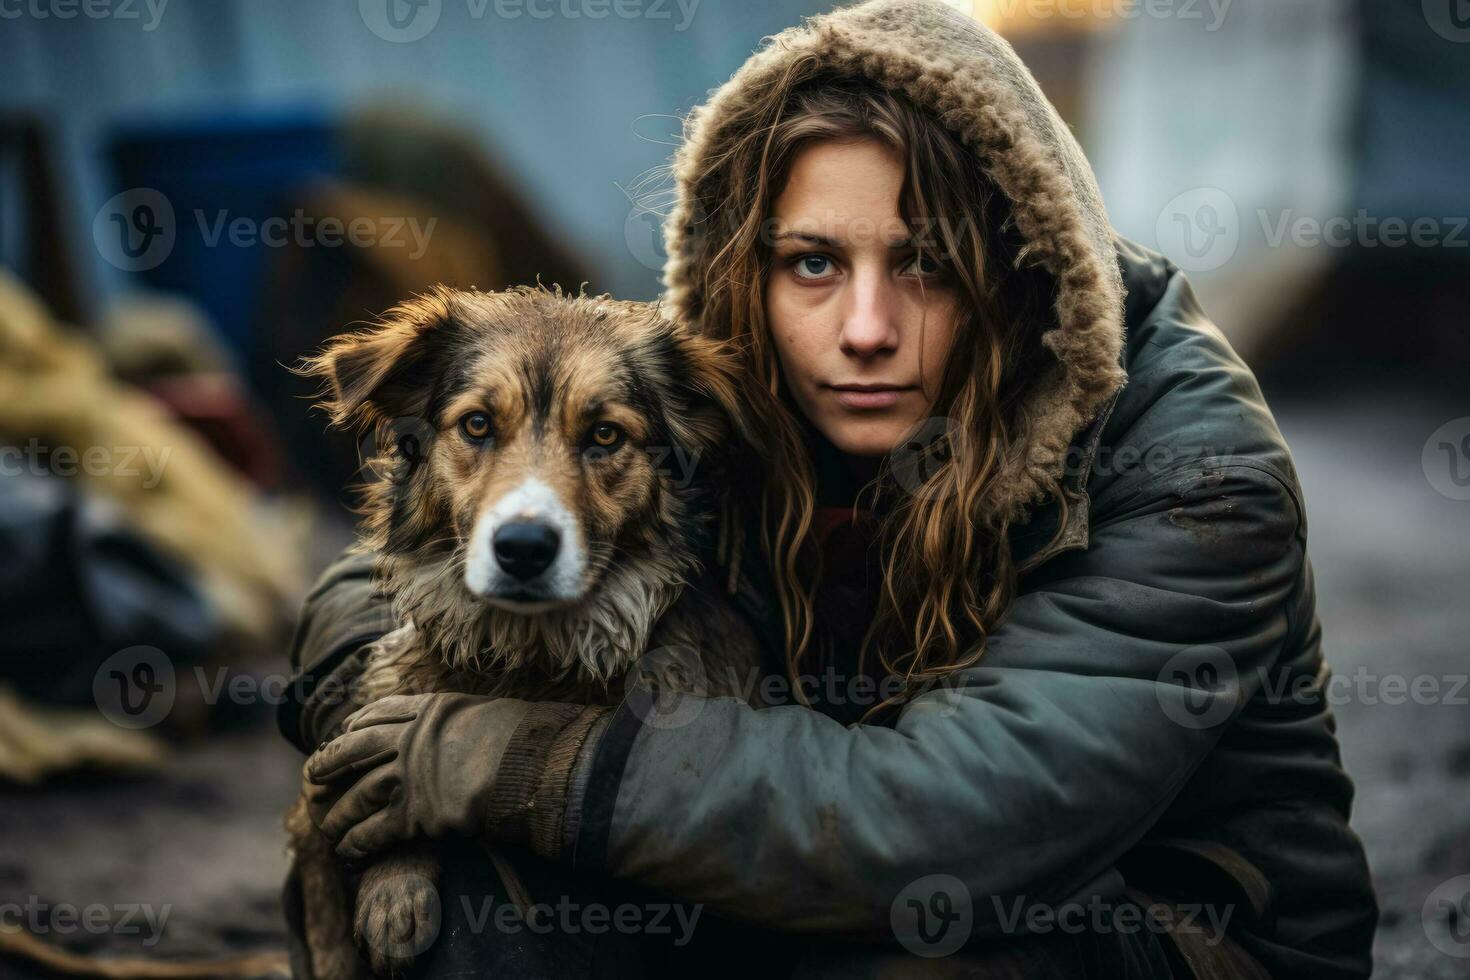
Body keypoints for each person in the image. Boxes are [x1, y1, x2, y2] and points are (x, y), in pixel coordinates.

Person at [282, 1, 1378, 977]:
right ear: (744, 271)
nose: (864, 329)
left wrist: (518, 760)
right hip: (810, 879)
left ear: (1014, 260)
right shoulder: (731, 398)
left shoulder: (1190, 465)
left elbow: (948, 832)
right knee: (459, 912)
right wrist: (392, 732)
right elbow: (381, 577)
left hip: (1150, 921)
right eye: (812, 262)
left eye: (926, 261)